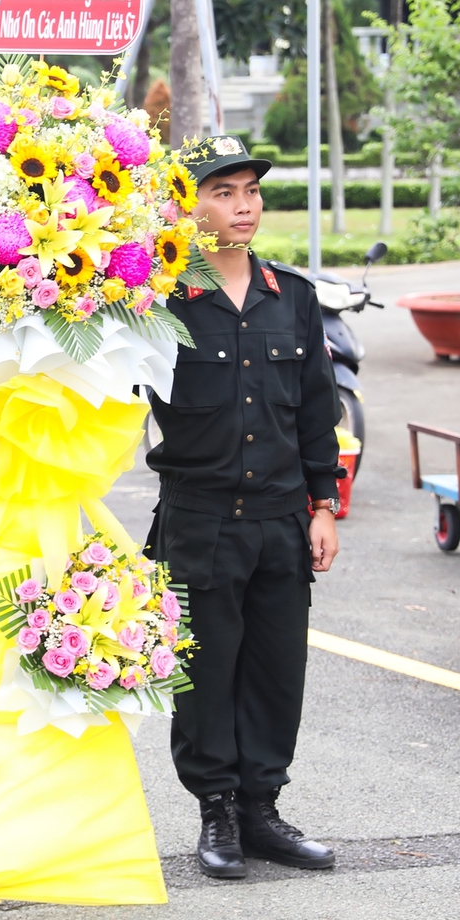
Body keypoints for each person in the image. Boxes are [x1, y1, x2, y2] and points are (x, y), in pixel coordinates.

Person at [146, 135, 342, 881]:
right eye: (223, 193)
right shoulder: (156, 299)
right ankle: (217, 814)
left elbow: (318, 412)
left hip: (280, 521)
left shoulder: (291, 296)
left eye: (250, 192)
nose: (243, 207)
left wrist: (323, 505)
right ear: (186, 205)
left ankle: (262, 810)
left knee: (274, 670)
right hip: (200, 521)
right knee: (205, 674)